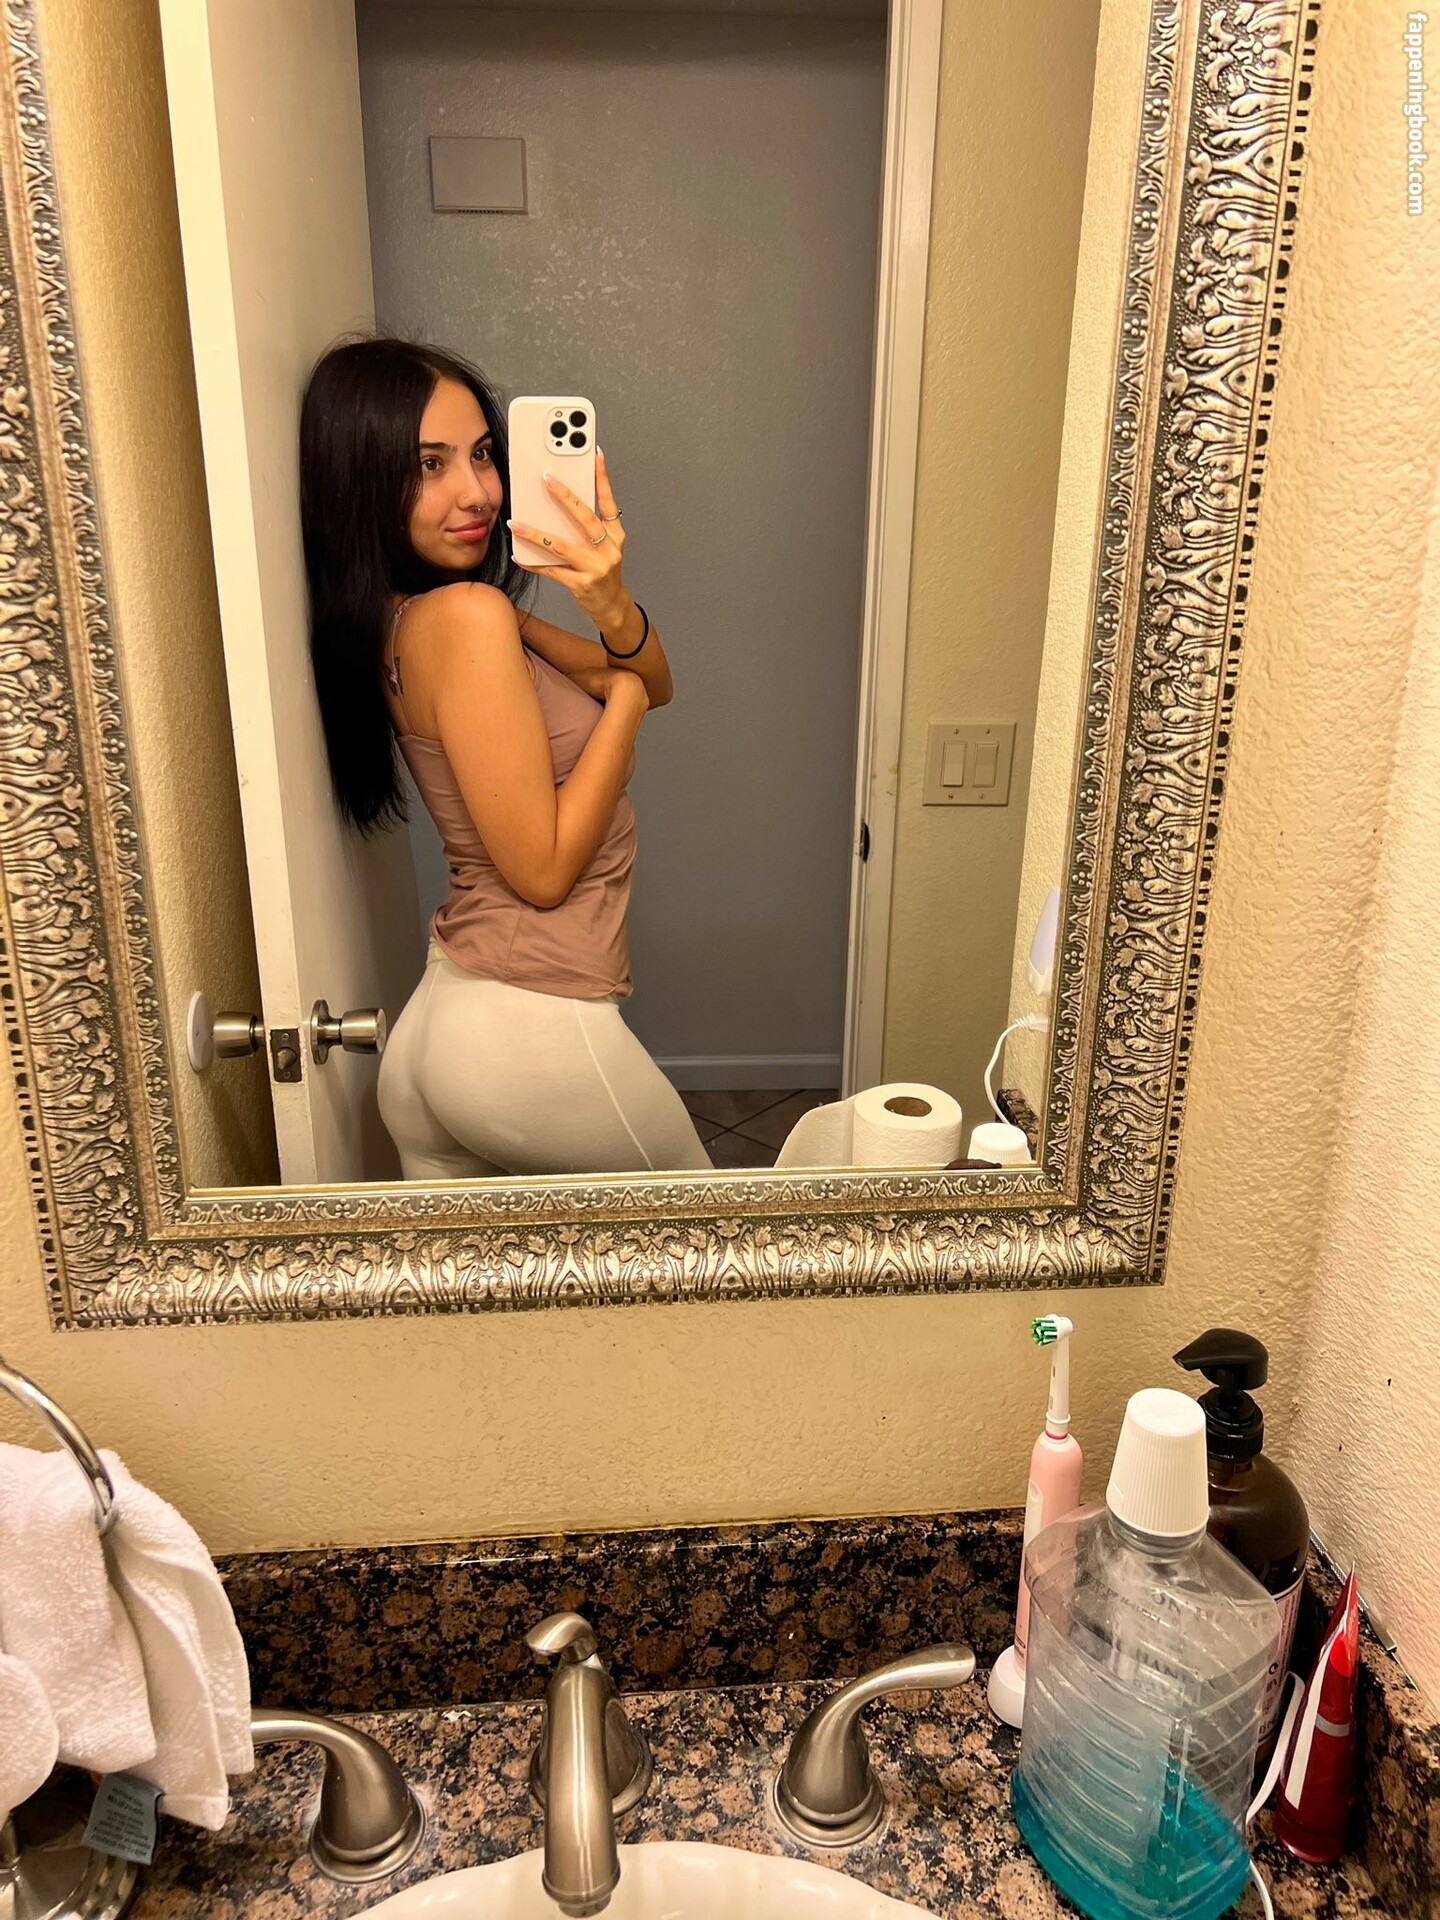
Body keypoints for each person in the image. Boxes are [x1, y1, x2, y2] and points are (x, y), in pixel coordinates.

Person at [300, 338, 711, 1177]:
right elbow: (545, 871)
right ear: (362, 481)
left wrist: (608, 602)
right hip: (529, 1025)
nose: (479, 491)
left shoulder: (409, 616)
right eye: (430, 464)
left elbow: (650, 677)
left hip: (446, 1014)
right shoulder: (468, 618)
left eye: (483, 455)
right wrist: (624, 705)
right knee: (728, 1249)